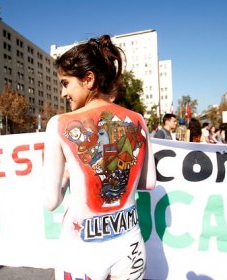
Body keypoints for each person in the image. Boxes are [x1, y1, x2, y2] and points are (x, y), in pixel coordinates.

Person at [43, 35, 156, 280]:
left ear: (89, 79)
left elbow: (51, 201)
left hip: (81, 250)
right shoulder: (137, 120)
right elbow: (148, 183)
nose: (63, 93)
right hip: (130, 245)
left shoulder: (59, 124)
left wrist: (66, 174)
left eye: (65, 83)